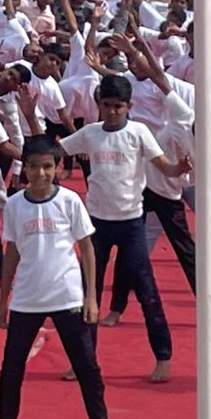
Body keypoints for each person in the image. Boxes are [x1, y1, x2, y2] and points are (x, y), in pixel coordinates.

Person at [58, 74, 189, 383]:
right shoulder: (90, 134)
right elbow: (56, 151)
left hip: (131, 223)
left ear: (129, 106)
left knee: (147, 293)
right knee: (87, 293)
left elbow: (164, 165)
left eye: (119, 106)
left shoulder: (139, 132)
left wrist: (179, 169)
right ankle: (83, 361)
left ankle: (163, 357)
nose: (113, 111)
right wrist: (28, 115)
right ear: (99, 106)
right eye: (107, 105)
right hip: (96, 226)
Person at [0, 135, 111, 419]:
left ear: (58, 167)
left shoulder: (70, 201)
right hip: (27, 299)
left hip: (67, 297)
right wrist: (3, 299)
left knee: (87, 368)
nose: (41, 174)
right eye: (34, 167)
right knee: (12, 367)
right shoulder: (15, 205)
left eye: (47, 167)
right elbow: (12, 252)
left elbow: (86, 248)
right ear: (25, 168)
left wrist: (91, 298)